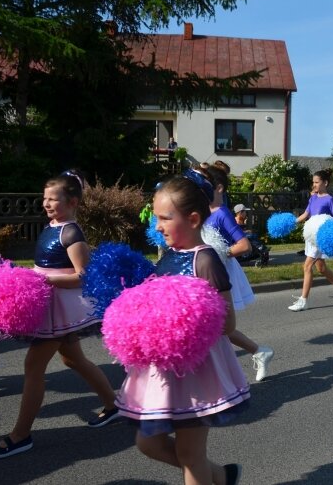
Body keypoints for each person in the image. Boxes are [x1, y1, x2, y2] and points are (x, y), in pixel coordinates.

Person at [115, 174, 248, 484]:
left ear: (192, 219)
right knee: (148, 442)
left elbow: (228, 324)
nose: (157, 225)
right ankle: (220, 476)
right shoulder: (169, 256)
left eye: (164, 218)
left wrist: (188, 323)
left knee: (190, 455)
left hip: (196, 370)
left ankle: (213, 475)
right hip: (161, 369)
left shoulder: (205, 260)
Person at [0, 171, 118, 459]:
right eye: (44, 198)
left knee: (33, 367)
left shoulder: (71, 232)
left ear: (72, 202)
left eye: (52, 199)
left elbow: (84, 276)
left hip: (59, 309)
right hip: (48, 303)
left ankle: (21, 436)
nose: (46, 203)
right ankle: (114, 403)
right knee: (73, 359)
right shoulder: (51, 226)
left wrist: (43, 282)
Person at [199, 166, 274, 382]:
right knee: (212, 327)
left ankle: (227, 375)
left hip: (220, 273)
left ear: (219, 187)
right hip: (204, 271)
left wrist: (219, 253)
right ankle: (258, 353)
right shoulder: (203, 212)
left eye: (206, 183)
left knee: (216, 327)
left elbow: (244, 246)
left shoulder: (222, 213)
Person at [288, 169, 333, 311]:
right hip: (311, 236)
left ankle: (303, 300)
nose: (314, 185)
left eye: (317, 182)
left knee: (307, 266)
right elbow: (306, 214)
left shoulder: (329, 199)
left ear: (325, 183)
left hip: (321, 237)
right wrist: (292, 223)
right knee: (320, 268)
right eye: (313, 182)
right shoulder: (313, 198)